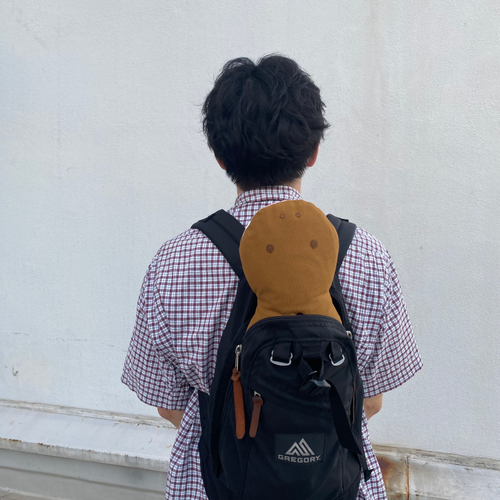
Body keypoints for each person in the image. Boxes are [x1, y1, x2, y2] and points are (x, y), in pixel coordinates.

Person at [121, 54, 422, 500]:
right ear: (313, 152)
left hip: (217, 486)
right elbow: (370, 401)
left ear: (220, 157)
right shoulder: (367, 255)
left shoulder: (173, 262)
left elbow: (168, 405)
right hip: (334, 485)